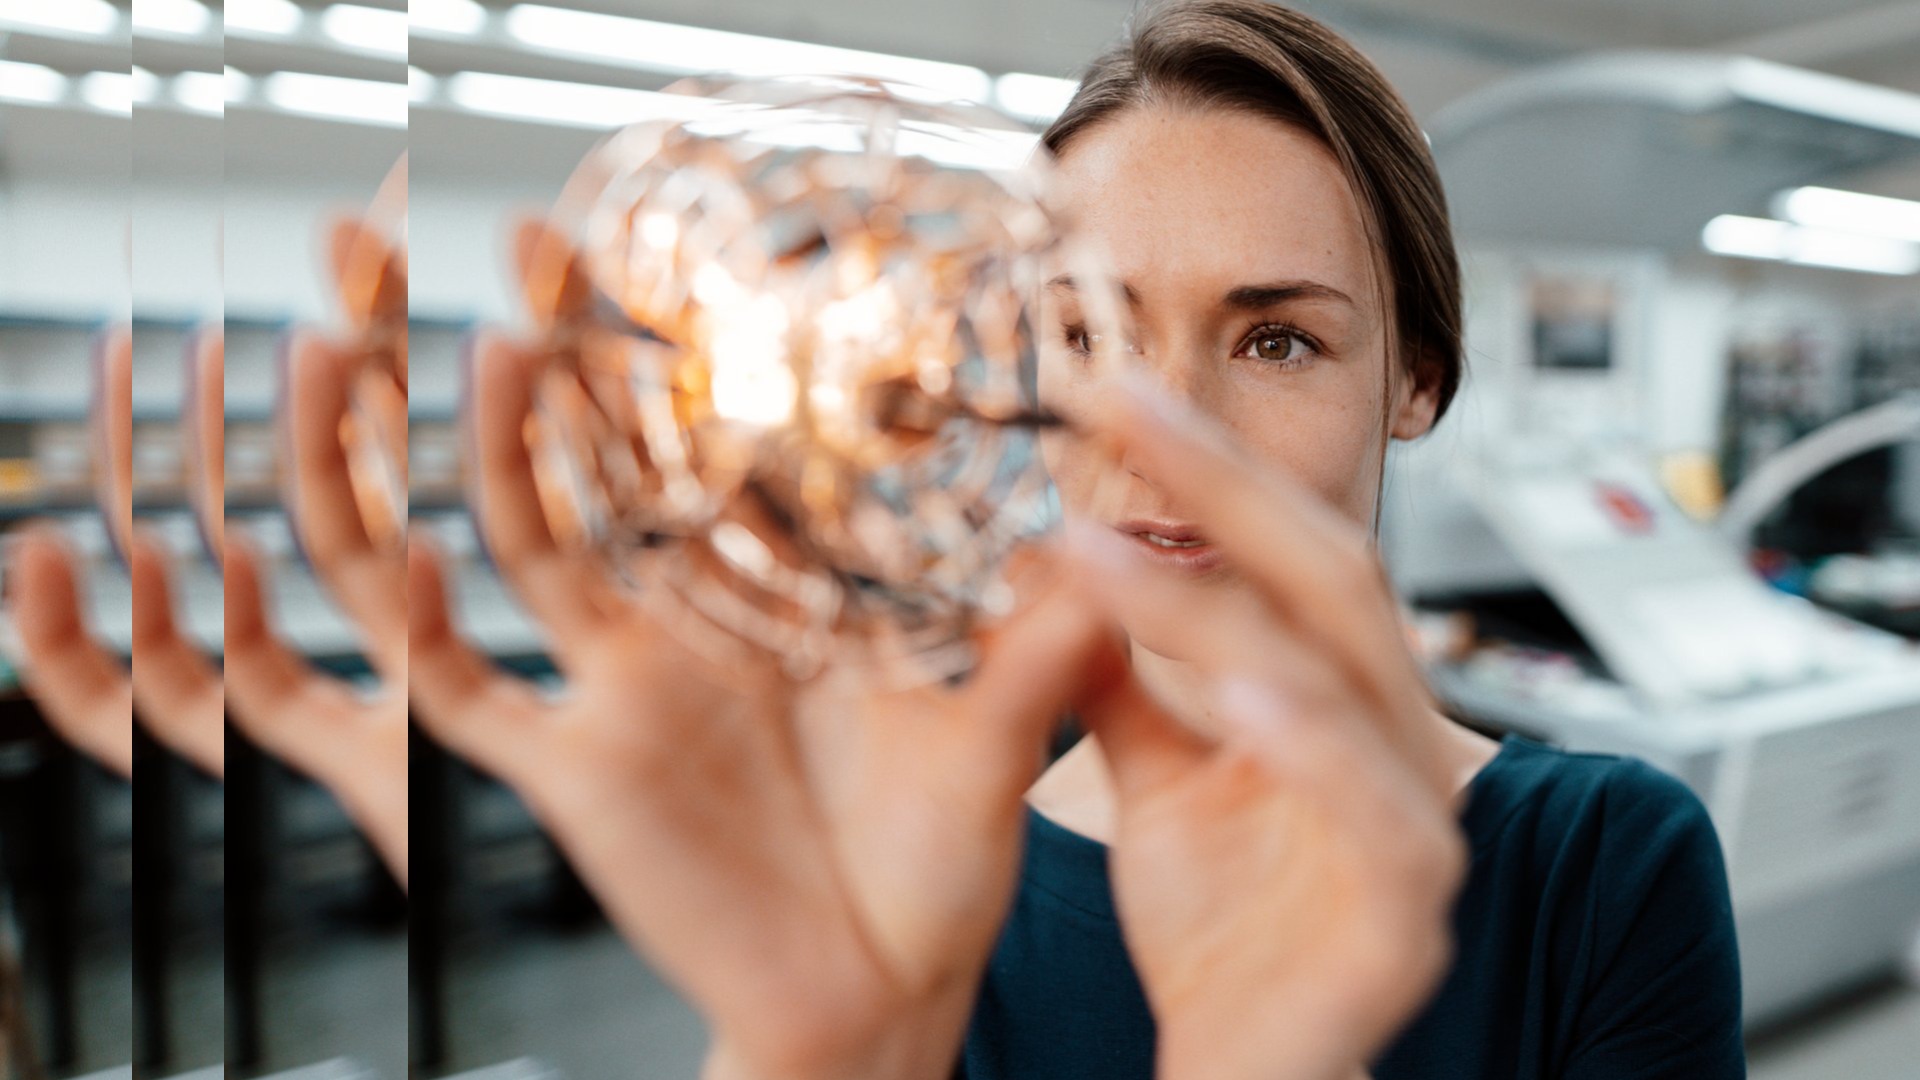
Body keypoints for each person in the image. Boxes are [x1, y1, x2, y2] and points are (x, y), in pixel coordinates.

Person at [408, 3, 1744, 1078]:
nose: (1167, 432)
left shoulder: (1604, 869)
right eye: (1085, 335)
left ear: (1416, 382)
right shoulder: (928, 884)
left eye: (1277, 339)